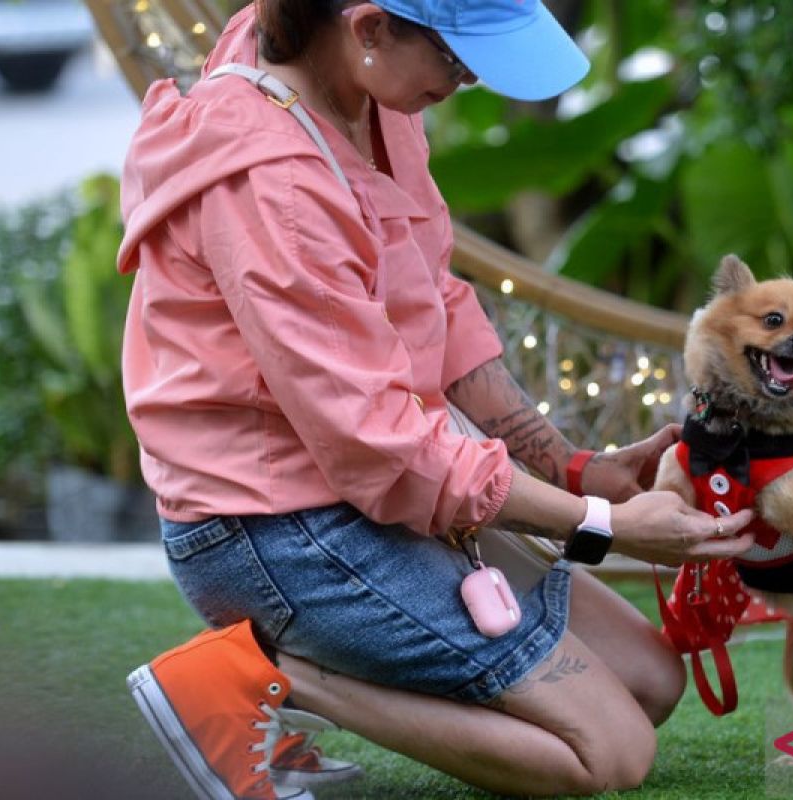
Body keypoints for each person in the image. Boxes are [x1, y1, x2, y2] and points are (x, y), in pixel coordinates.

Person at [117, 0, 755, 797]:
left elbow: (435, 303)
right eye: (456, 58)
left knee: (652, 681)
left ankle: (294, 669)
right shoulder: (273, 181)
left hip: (375, 494)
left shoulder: (360, 87)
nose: (470, 78)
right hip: (277, 529)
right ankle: (253, 676)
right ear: (371, 27)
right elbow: (381, 446)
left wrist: (573, 468)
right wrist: (609, 528)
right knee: (609, 753)